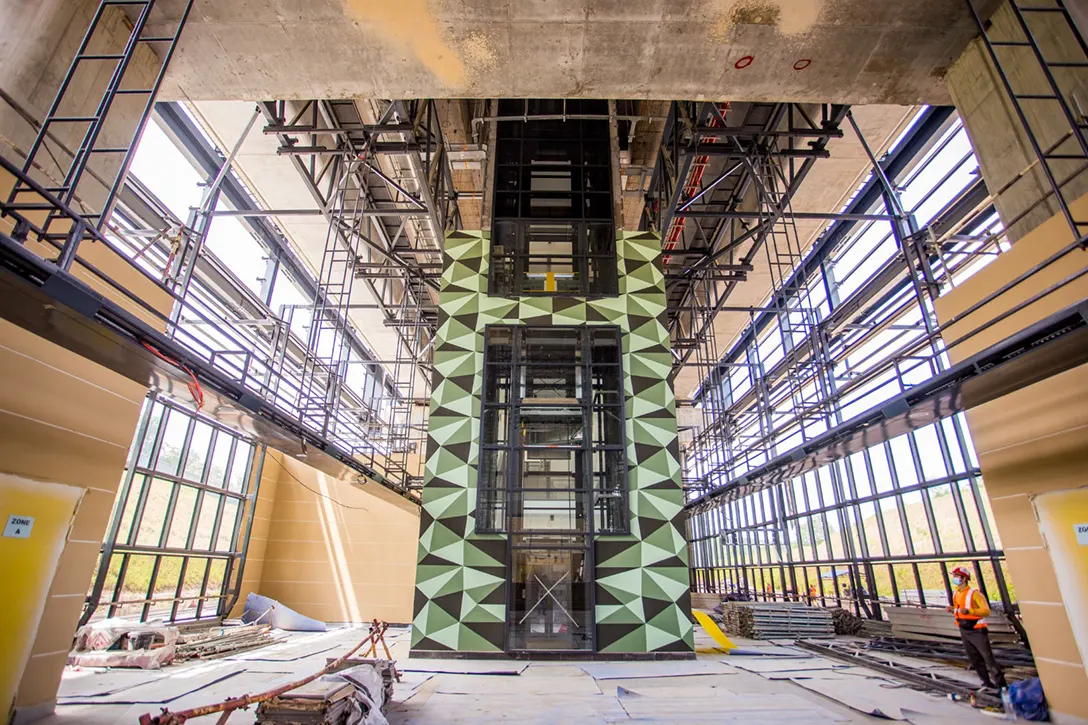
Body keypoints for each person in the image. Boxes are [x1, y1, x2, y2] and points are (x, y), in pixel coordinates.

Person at [946, 566, 1006, 691]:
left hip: (977, 630)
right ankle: (986, 682)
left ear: (964, 578)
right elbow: (960, 610)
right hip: (964, 629)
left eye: (957, 576)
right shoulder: (956, 594)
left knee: (988, 658)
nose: (954, 579)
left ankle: (1001, 685)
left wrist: (970, 610)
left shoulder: (975, 594)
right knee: (974, 658)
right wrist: (953, 610)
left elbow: (986, 611)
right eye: (954, 576)